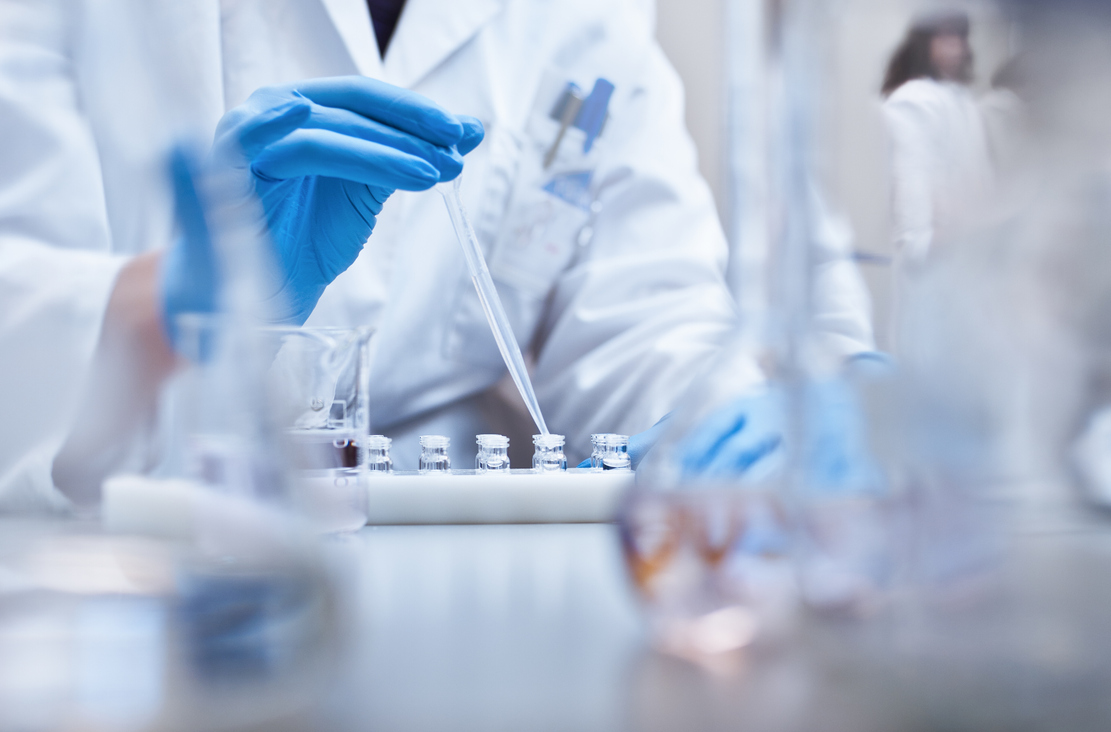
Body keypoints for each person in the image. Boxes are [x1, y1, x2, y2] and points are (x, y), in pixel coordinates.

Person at [0, 0, 874, 509]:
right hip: (134, 572)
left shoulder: (584, 17)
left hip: (470, 572)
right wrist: (163, 313)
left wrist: (749, 420)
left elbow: (643, 319)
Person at [881, 10, 994, 265]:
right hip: (934, 261)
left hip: (969, 257)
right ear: (923, 42)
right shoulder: (913, 100)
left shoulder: (963, 101)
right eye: (946, 36)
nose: (957, 46)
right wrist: (924, 244)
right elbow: (912, 210)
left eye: (961, 36)